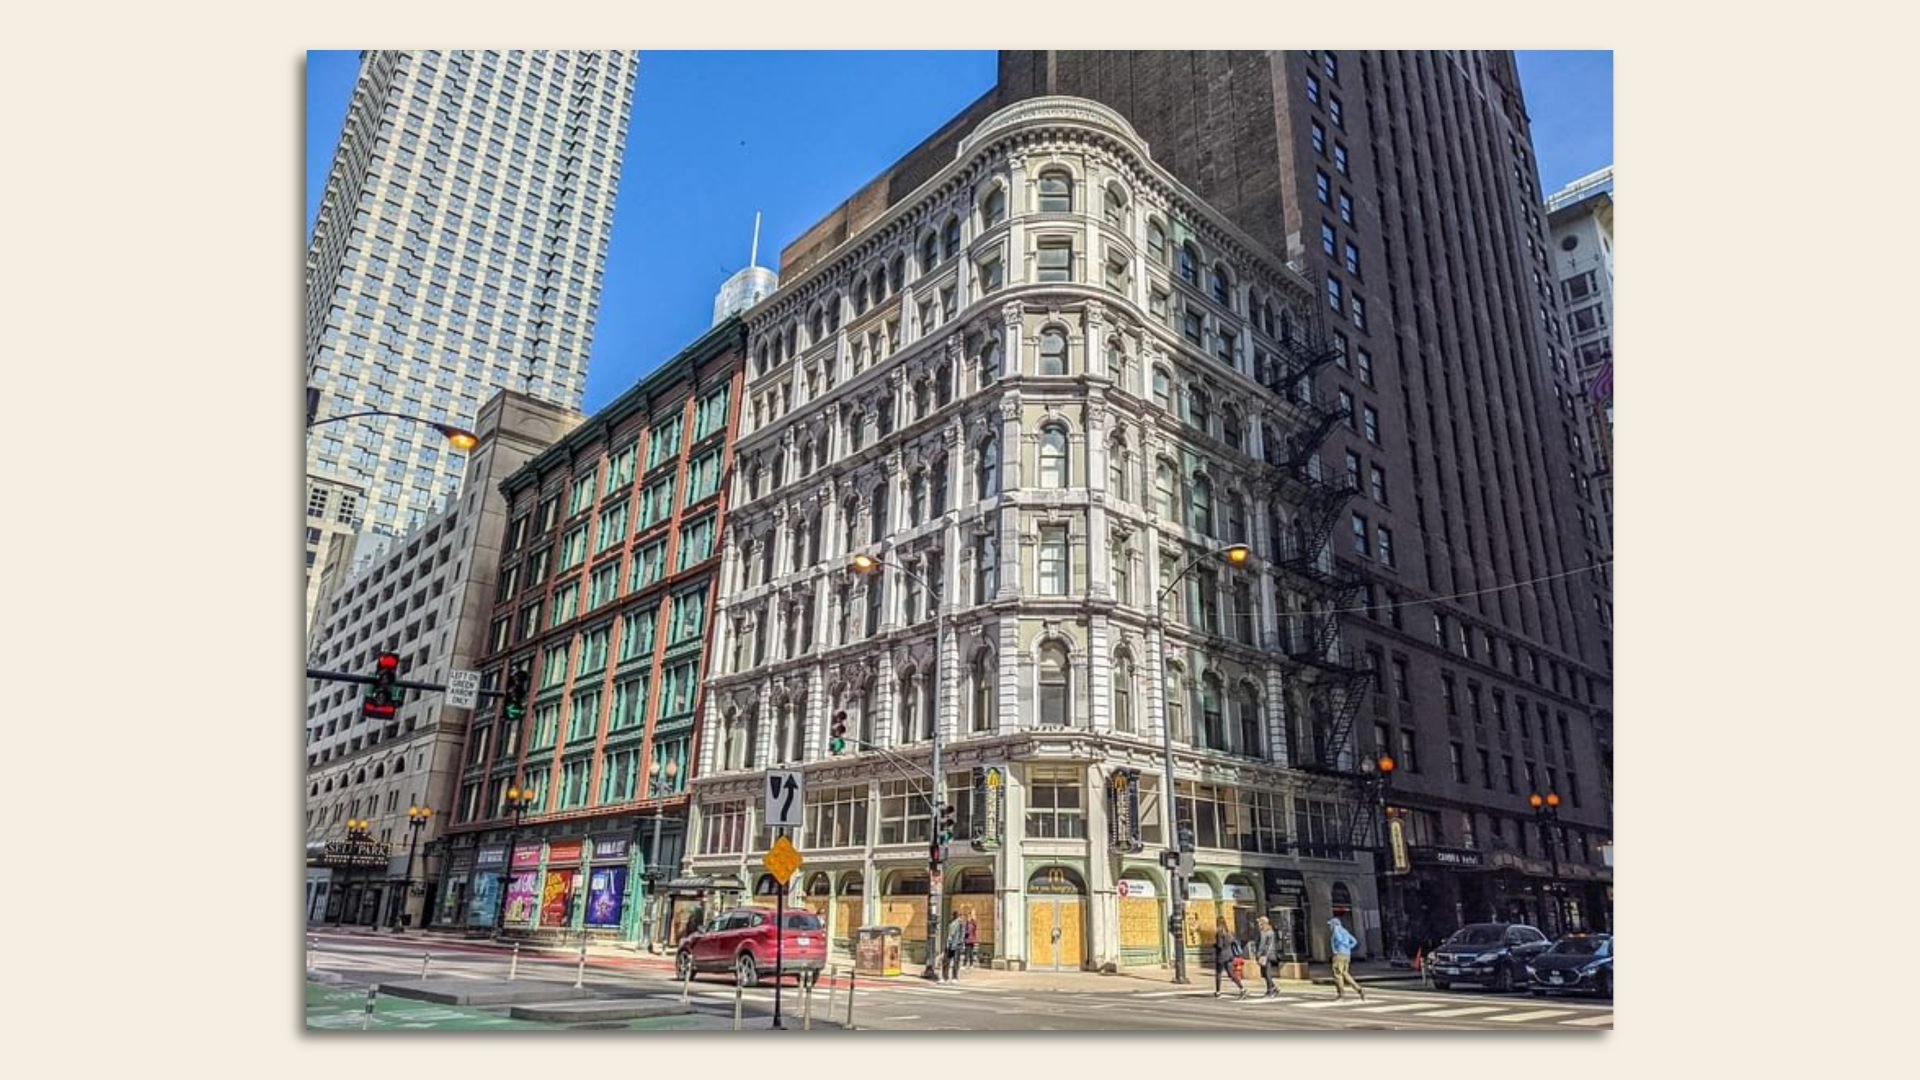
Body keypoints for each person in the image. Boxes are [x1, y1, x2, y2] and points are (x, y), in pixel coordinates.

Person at [1328, 916, 1366, 1001]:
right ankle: (1359, 990)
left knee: (1337, 975)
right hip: (1347, 955)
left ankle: (1341, 995)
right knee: (1345, 973)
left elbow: (1339, 939)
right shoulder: (1345, 931)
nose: (1330, 926)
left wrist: (1339, 947)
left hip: (1339, 955)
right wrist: (1348, 946)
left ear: (1334, 924)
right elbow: (1354, 941)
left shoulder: (1336, 930)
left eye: (1331, 924)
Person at [1213, 916, 1247, 999]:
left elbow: (1220, 946)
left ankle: (1218, 991)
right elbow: (1233, 942)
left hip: (1221, 955)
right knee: (1231, 973)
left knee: (1218, 973)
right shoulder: (1229, 932)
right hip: (1230, 955)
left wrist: (1214, 945)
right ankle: (1242, 988)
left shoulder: (1219, 932)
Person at [1255, 915, 1280, 998]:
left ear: (1263, 923)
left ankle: (1270, 990)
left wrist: (1262, 955)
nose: (1258, 924)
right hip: (1265, 954)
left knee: (1267, 973)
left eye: (1259, 922)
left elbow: (1265, 945)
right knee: (1264, 973)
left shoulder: (1266, 932)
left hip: (1266, 955)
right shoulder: (1266, 931)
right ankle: (1273, 988)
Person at [944, 908, 968, 982]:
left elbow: (963, 933)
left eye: (956, 914)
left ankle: (954, 977)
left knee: (956, 961)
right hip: (949, 943)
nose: (954, 915)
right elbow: (948, 932)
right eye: (953, 914)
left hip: (956, 944)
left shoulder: (961, 923)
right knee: (946, 961)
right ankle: (945, 977)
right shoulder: (950, 922)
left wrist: (960, 942)